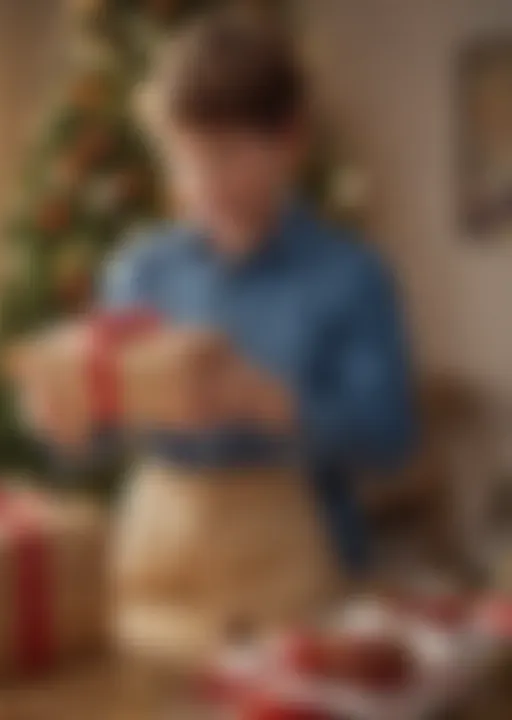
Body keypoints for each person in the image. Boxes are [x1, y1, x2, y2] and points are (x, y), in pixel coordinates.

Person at [101, 9, 416, 576]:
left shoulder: (351, 275)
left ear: (290, 139)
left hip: (300, 567)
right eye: (182, 157)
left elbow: (389, 438)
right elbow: (103, 439)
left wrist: (279, 406)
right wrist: (72, 418)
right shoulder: (140, 271)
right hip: (161, 559)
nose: (201, 181)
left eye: (225, 154)